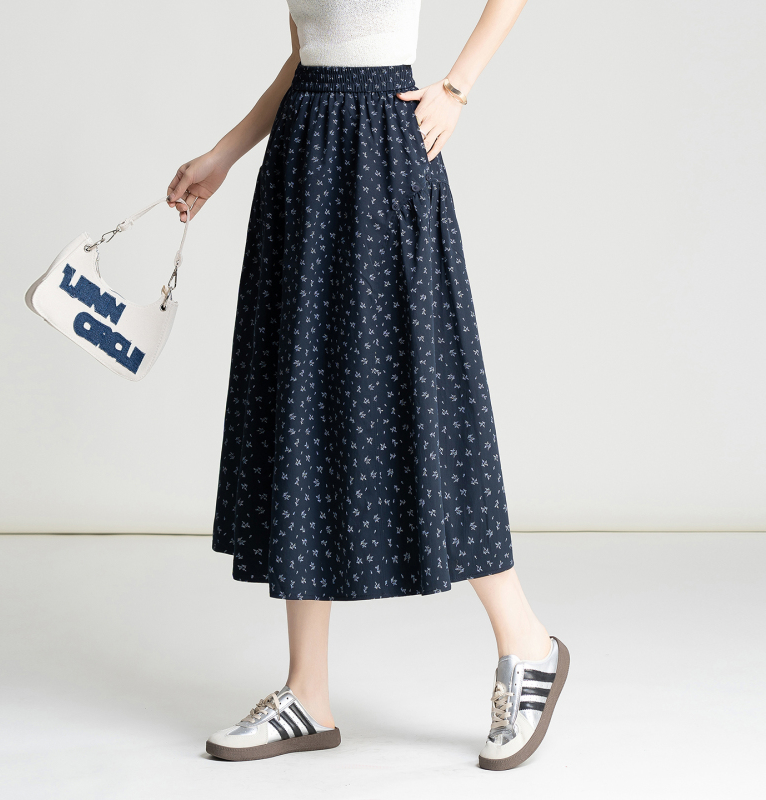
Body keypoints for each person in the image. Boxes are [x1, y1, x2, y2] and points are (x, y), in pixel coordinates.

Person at [166, 0, 568, 771]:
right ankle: (307, 694)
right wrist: (225, 154)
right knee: (303, 408)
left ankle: (528, 643)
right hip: (303, 156)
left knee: (424, 401)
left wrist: (458, 86)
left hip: (383, 149)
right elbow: (309, 55)